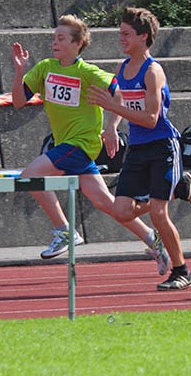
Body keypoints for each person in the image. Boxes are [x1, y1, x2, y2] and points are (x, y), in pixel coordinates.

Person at [11, 14, 171, 273]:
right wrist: (19, 72)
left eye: (61, 38)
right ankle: (154, 240)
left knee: (30, 176)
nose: (55, 42)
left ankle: (65, 231)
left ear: (77, 44)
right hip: (66, 144)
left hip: (82, 143)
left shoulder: (87, 72)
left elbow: (120, 92)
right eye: (54, 38)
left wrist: (111, 127)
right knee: (106, 203)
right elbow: (18, 101)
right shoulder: (44, 68)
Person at [87, 7, 191, 291]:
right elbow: (124, 102)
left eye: (126, 34)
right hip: (137, 147)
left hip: (161, 146)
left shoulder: (153, 71)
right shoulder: (123, 68)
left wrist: (112, 106)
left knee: (159, 213)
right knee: (121, 210)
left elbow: (151, 118)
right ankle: (178, 189)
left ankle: (181, 270)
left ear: (143, 36)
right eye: (120, 33)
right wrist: (111, 125)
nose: (120, 38)